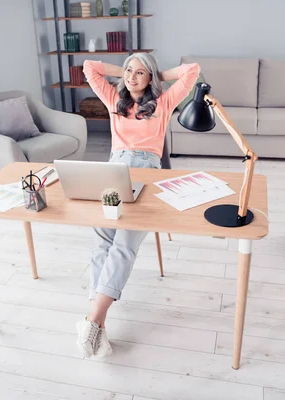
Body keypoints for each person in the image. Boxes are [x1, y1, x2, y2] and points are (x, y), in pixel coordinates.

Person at [78, 54, 201, 358]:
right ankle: (99, 325)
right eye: (129, 72)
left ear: (151, 79)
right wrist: (126, 69)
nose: (132, 77)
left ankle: (92, 320)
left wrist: (155, 71)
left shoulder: (164, 102)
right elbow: (89, 68)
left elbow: (192, 71)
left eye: (139, 73)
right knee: (103, 245)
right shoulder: (113, 100)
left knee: (124, 246)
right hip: (113, 173)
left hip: (146, 174)